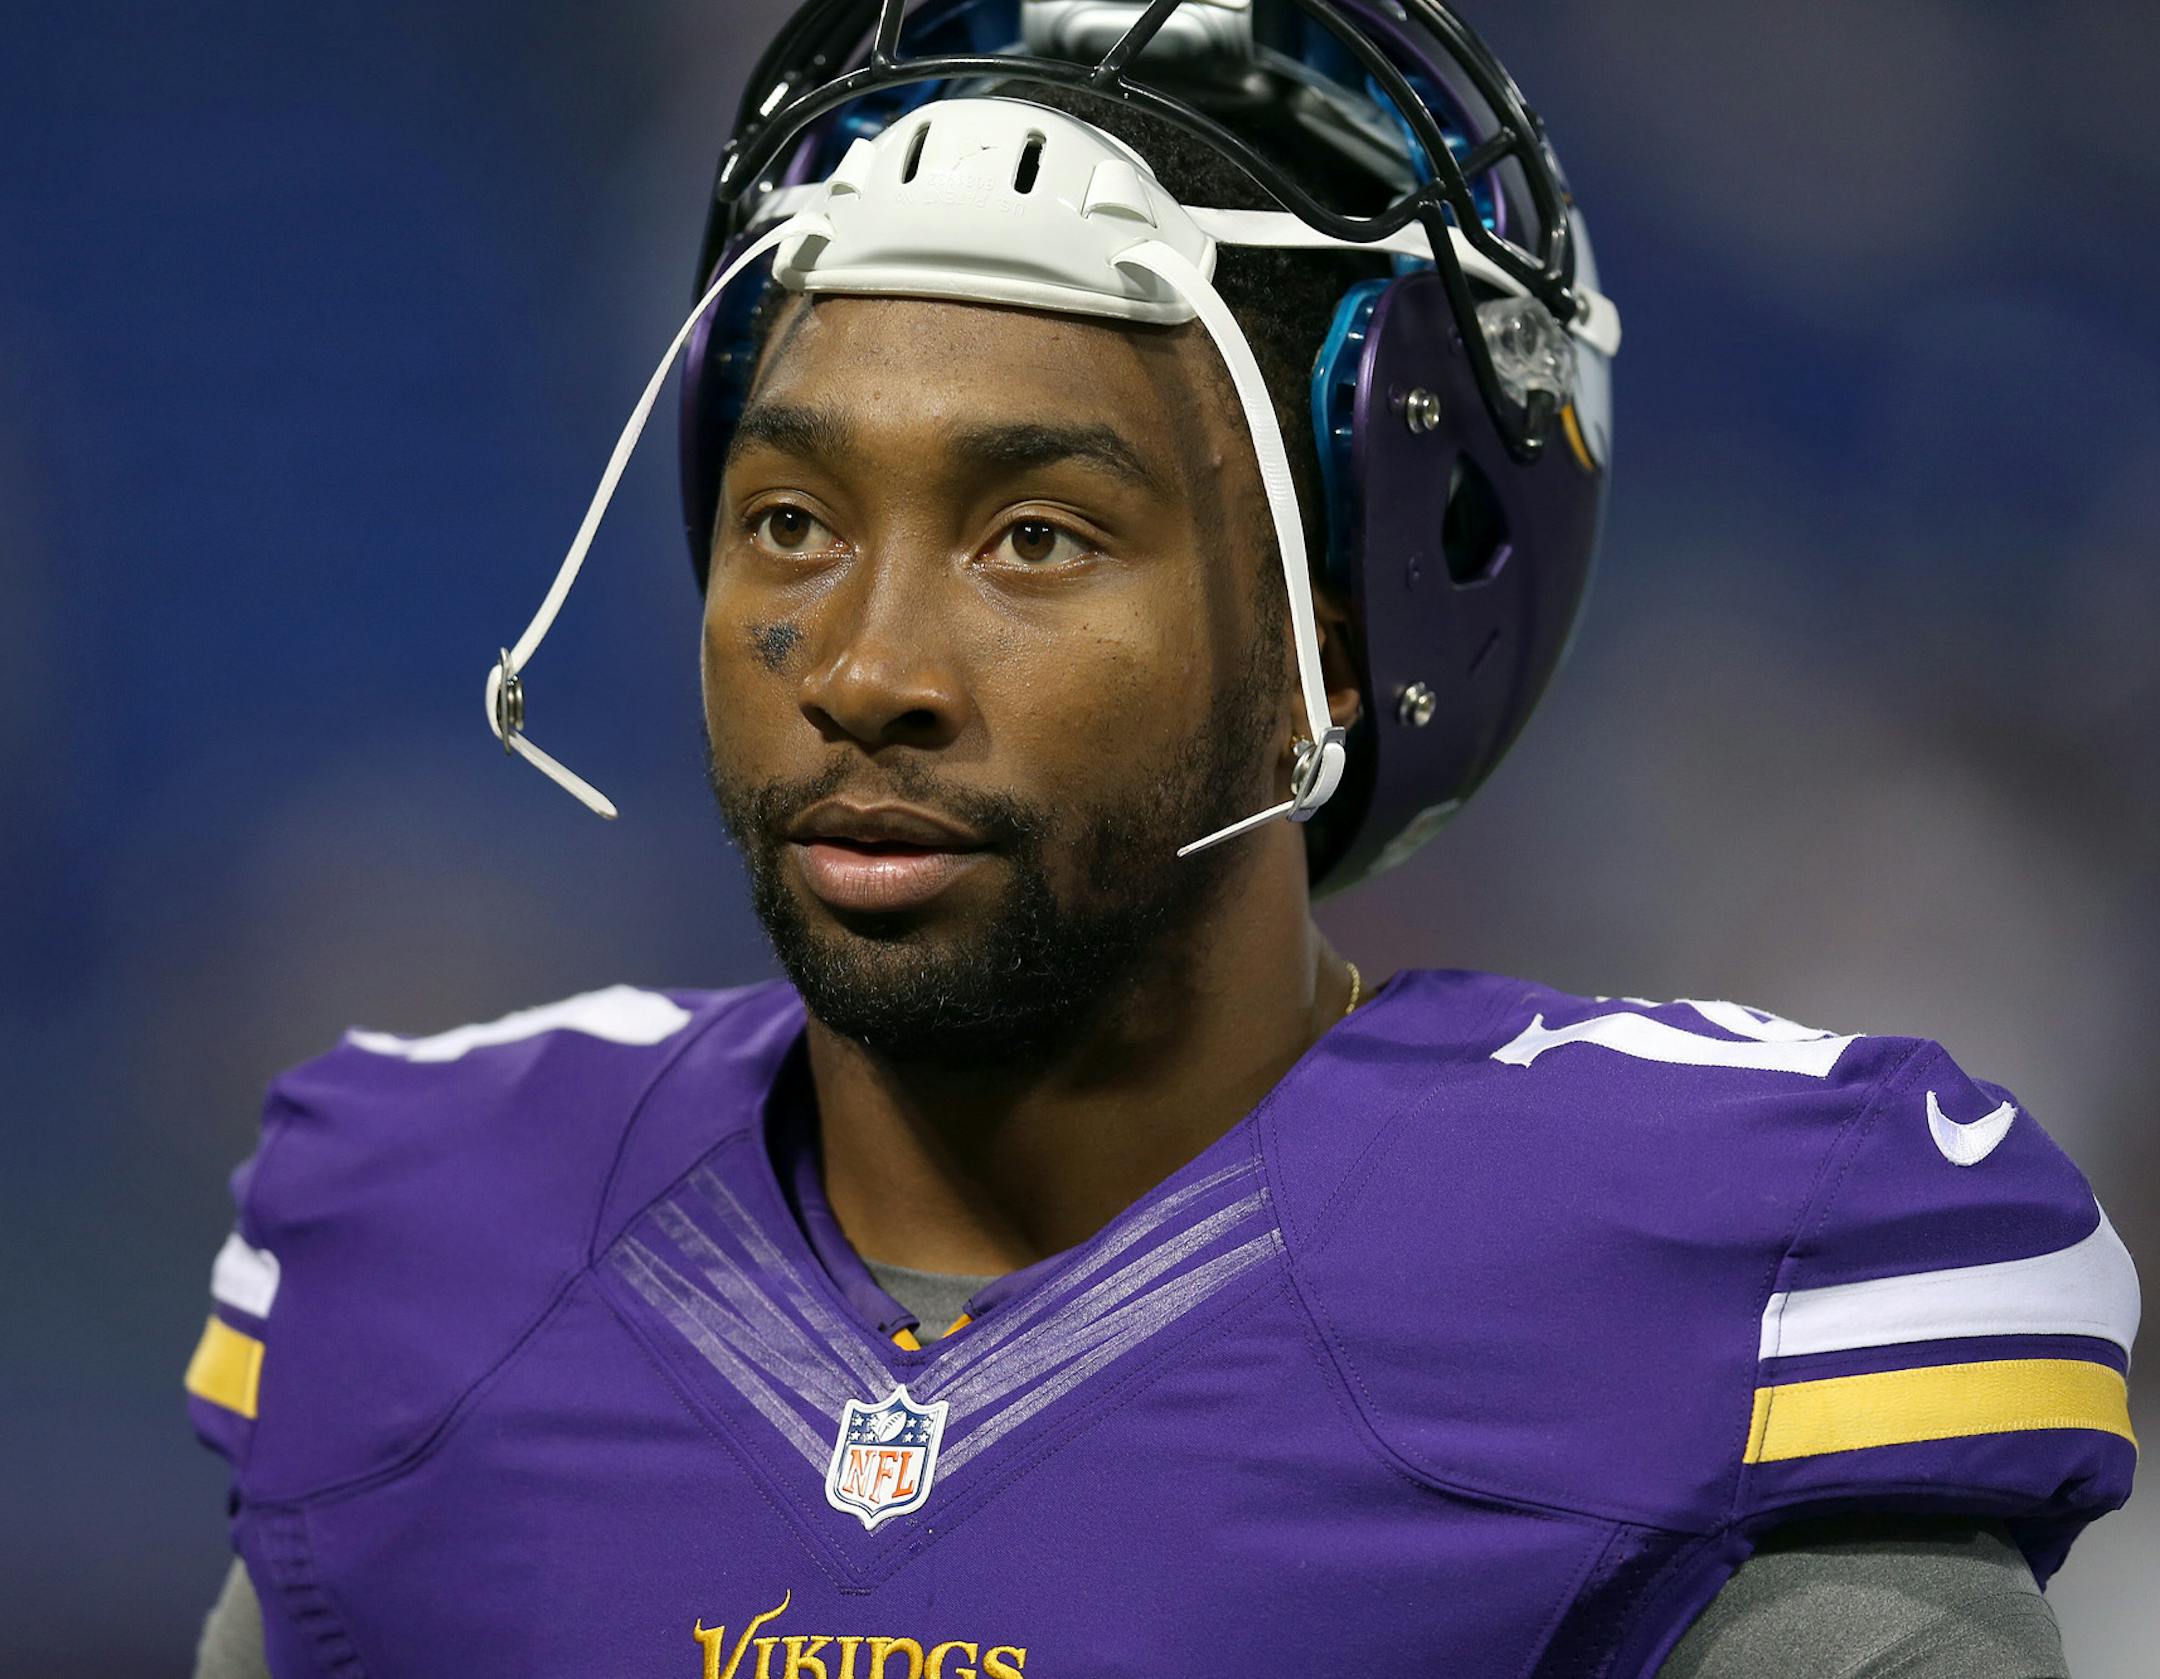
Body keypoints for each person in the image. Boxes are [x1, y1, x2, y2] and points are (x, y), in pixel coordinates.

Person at [184, 3, 2137, 1675]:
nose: (865, 664)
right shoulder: (427, 1270)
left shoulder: (1711, 1301)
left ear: (1344, 636)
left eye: (1037, 537)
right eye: (792, 519)